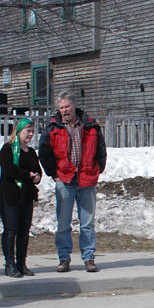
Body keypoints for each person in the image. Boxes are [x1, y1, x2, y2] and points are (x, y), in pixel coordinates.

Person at [39, 91, 107, 273]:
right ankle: (64, 258)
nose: (64, 111)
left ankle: (89, 258)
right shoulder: (53, 127)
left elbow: (101, 149)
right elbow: (44, 152)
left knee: (87, 223)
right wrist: (53, 174)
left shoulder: (91, 125)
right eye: (61, 108)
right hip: (65, 180)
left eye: (67, 107)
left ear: (74, 105)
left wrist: (98, 169)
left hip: (87, 180)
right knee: (63, 224)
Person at [0, 119, 42, 278]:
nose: (30, 134)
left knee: (24, 231)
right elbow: (9, 170)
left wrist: (36, 177)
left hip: (26, 196)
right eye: (27, 131)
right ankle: (10, 263)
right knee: (11, 230)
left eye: (31, 131)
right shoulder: (8, 150)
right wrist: (27, 175)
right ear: (19, 131)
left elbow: (37, 170)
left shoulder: (31, 152)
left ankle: (22, 263)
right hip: (9, 196)